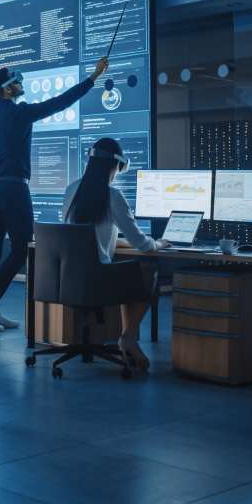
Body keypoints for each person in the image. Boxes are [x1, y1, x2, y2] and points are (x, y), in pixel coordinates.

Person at [0, 56, 111, 333]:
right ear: (7, 89)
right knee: (21, 249)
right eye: (16, 81)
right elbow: (61, 102)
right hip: (14, 189)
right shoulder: (20, 113)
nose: (20, 84)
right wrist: (93, 78)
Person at [63, 138, 169, 369]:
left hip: (68, 281)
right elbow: (142, 244)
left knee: (128, 275)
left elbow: (81, 236)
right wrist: (159, 243)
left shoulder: (71, 190)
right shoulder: (112, 196)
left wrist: (115, 242)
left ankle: (127, 340)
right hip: (98, 282)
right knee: (148, 273)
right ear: (116, 166)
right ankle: (128, 337)